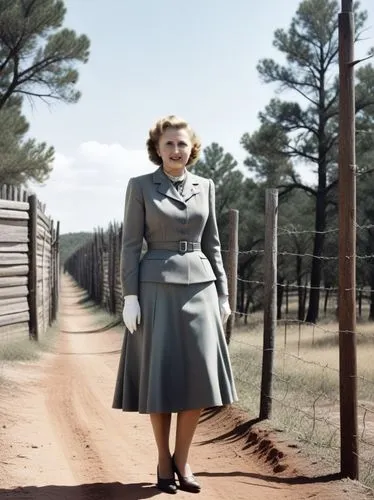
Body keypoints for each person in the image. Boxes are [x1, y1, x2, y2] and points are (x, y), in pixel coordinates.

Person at [112, 115, 238, 494]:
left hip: (201, 288)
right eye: (169, 143)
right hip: (154, 289)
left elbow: (213, 243)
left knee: (199, 377)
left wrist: (224, 293)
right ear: (157, 148)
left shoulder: (206, 185)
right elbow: (131, 244)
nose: (176, 150)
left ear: (191, 147)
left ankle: (183, 460)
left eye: (182, 143)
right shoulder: (140, 186)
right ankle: (163, 461)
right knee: (160, 376)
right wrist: (130, 295)